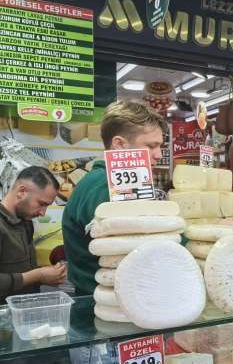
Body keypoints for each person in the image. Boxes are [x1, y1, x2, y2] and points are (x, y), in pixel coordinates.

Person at [61, 100, 168, 296]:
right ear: (119, 144)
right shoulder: (107, 186)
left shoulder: (98, 180)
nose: (159, 155)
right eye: (151, 146)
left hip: (112, 296)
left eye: (160, 146)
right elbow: (135, 252)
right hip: (104, 301)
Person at [0, 166, 65, 307]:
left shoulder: (24, 221)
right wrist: (38, 275)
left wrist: (48, 274)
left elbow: (19, 270)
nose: (43, 213)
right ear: (21, 192)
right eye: (41, 204)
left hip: (18, 314)